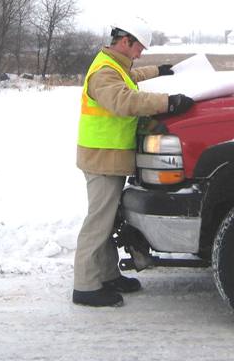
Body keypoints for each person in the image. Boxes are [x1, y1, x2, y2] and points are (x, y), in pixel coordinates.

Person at [73, 16, 194, 307]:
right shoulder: (104, 72)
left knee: (107, 220)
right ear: (125, 41)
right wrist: (169, 102)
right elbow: (124, 101)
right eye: (139, 48)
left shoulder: (114, 66)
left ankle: (107, 275)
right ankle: (86, 286)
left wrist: (160, 71)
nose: (140, 54)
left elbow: (132, 78)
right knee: (98, 222)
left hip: (109, 156)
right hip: (101, 157)